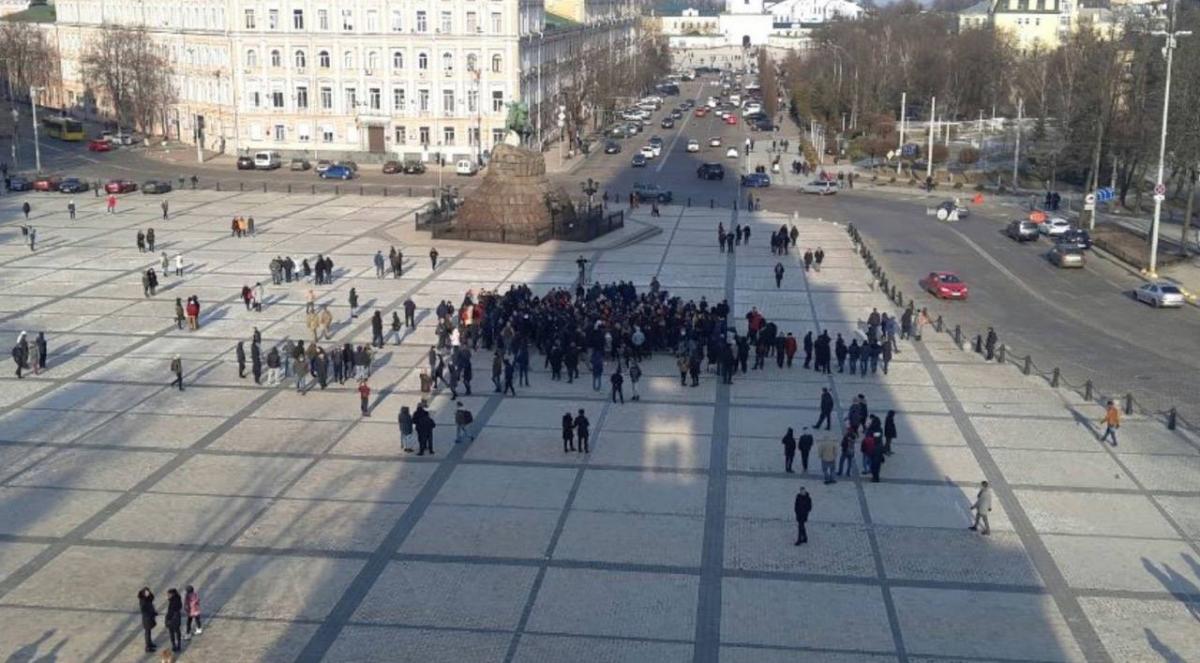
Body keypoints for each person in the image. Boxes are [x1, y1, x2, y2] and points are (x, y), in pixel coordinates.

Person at [138, 587, 158, 652]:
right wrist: (151, 613)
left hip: (149, 618)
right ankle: (147, 647)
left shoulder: (147, 598)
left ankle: (150, 643)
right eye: (146, 592)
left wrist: (149, 593)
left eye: (148, 592)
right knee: (147, 632)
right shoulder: (143, 601)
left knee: (149, 632)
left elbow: (152, 598)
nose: (148, 593)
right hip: (147, 619)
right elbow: (144, 610)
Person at [165, 588, 183, 652]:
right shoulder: (178, 599)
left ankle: (174, 645)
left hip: (172, 619)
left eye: (168, 594)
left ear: (172, 594)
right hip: (177, 618)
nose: (167, 595)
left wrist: (167, 619)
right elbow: (180, 607)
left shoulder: (172, 602)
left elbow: (170, 612)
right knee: (177, 631)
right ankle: (179, 645)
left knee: (171, 632)